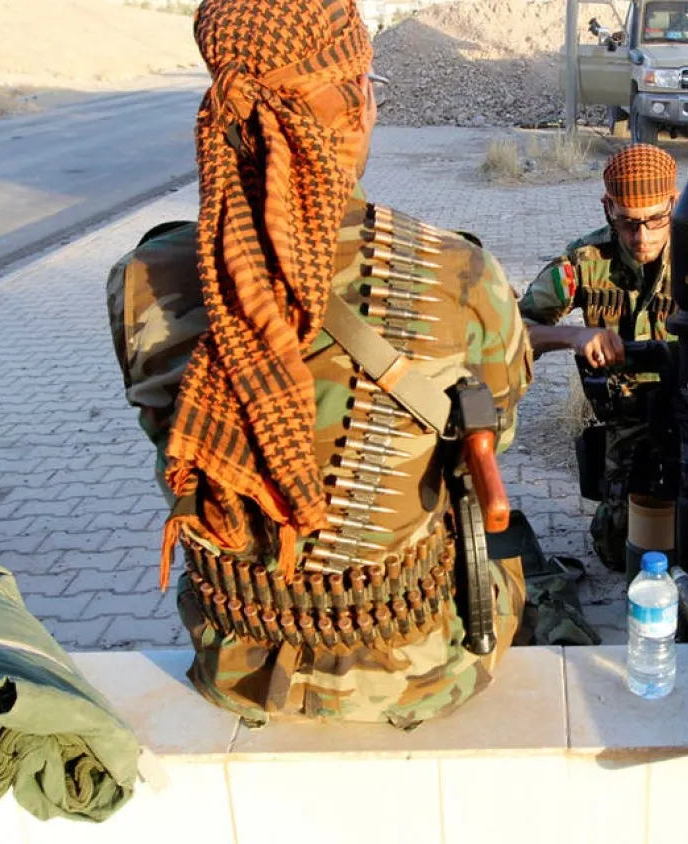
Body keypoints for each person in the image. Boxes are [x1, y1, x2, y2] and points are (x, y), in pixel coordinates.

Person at [107, 0, 532, 729]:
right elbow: (496, 428)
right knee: (511, 543)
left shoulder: (143, 279)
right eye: (368, 86)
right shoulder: (457, 272)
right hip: (415, 669)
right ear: (353, 104)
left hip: (233, 657)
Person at [519, 143, 688, 575]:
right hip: (628, 415)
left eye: (655, 220)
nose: (641, 236)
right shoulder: (584, 262)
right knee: (614, 551)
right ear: (607, 208)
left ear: (674, 206)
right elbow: (513, 332)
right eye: (626, 222)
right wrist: (574, 334)